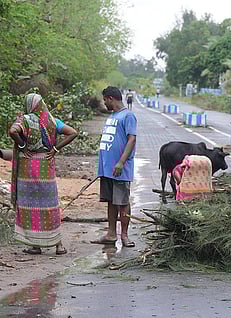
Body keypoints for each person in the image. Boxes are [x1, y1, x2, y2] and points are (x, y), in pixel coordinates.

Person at [9, 93, 78, 255]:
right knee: (49, 206)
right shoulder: (53, 121)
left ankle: (35, 245)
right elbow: (73, 132)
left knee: (30, 206)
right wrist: (55, 149)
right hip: (46, 167)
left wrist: (22, 146)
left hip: (27, 169)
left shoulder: (24, 120)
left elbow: (13, 131)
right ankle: (58, 245)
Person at [91, 86, 137, 248]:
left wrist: (121, 162)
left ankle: (124, 235)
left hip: (120, 169)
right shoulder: (112, 116)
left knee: (122, 201)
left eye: (105, 99)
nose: (104, 102)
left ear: (111, 98)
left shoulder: (128, 116)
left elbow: (131, 140)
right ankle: (111, 234)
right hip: (107, 169)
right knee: (111, 201)